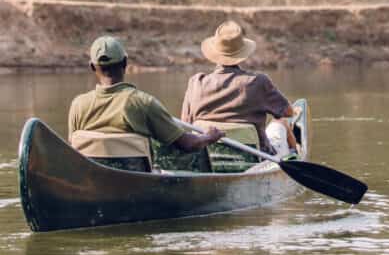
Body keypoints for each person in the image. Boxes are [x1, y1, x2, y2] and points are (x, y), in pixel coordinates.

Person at [68, 35, 223, 163]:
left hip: (91, 183)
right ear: (125, 62)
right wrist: (209, 137)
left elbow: (73, 150)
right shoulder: (143, 103)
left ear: (92, 67)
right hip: (134, 184)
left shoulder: (78, 105)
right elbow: (187, 144)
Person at [181, 20, 297, 159]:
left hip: (208, 158)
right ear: (242, 54)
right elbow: (288, 112)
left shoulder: (196, 83)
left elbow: (185, 123)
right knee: (281, 121)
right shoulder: (258, 82)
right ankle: (295, 154)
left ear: (215, 54)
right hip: (257, 158)